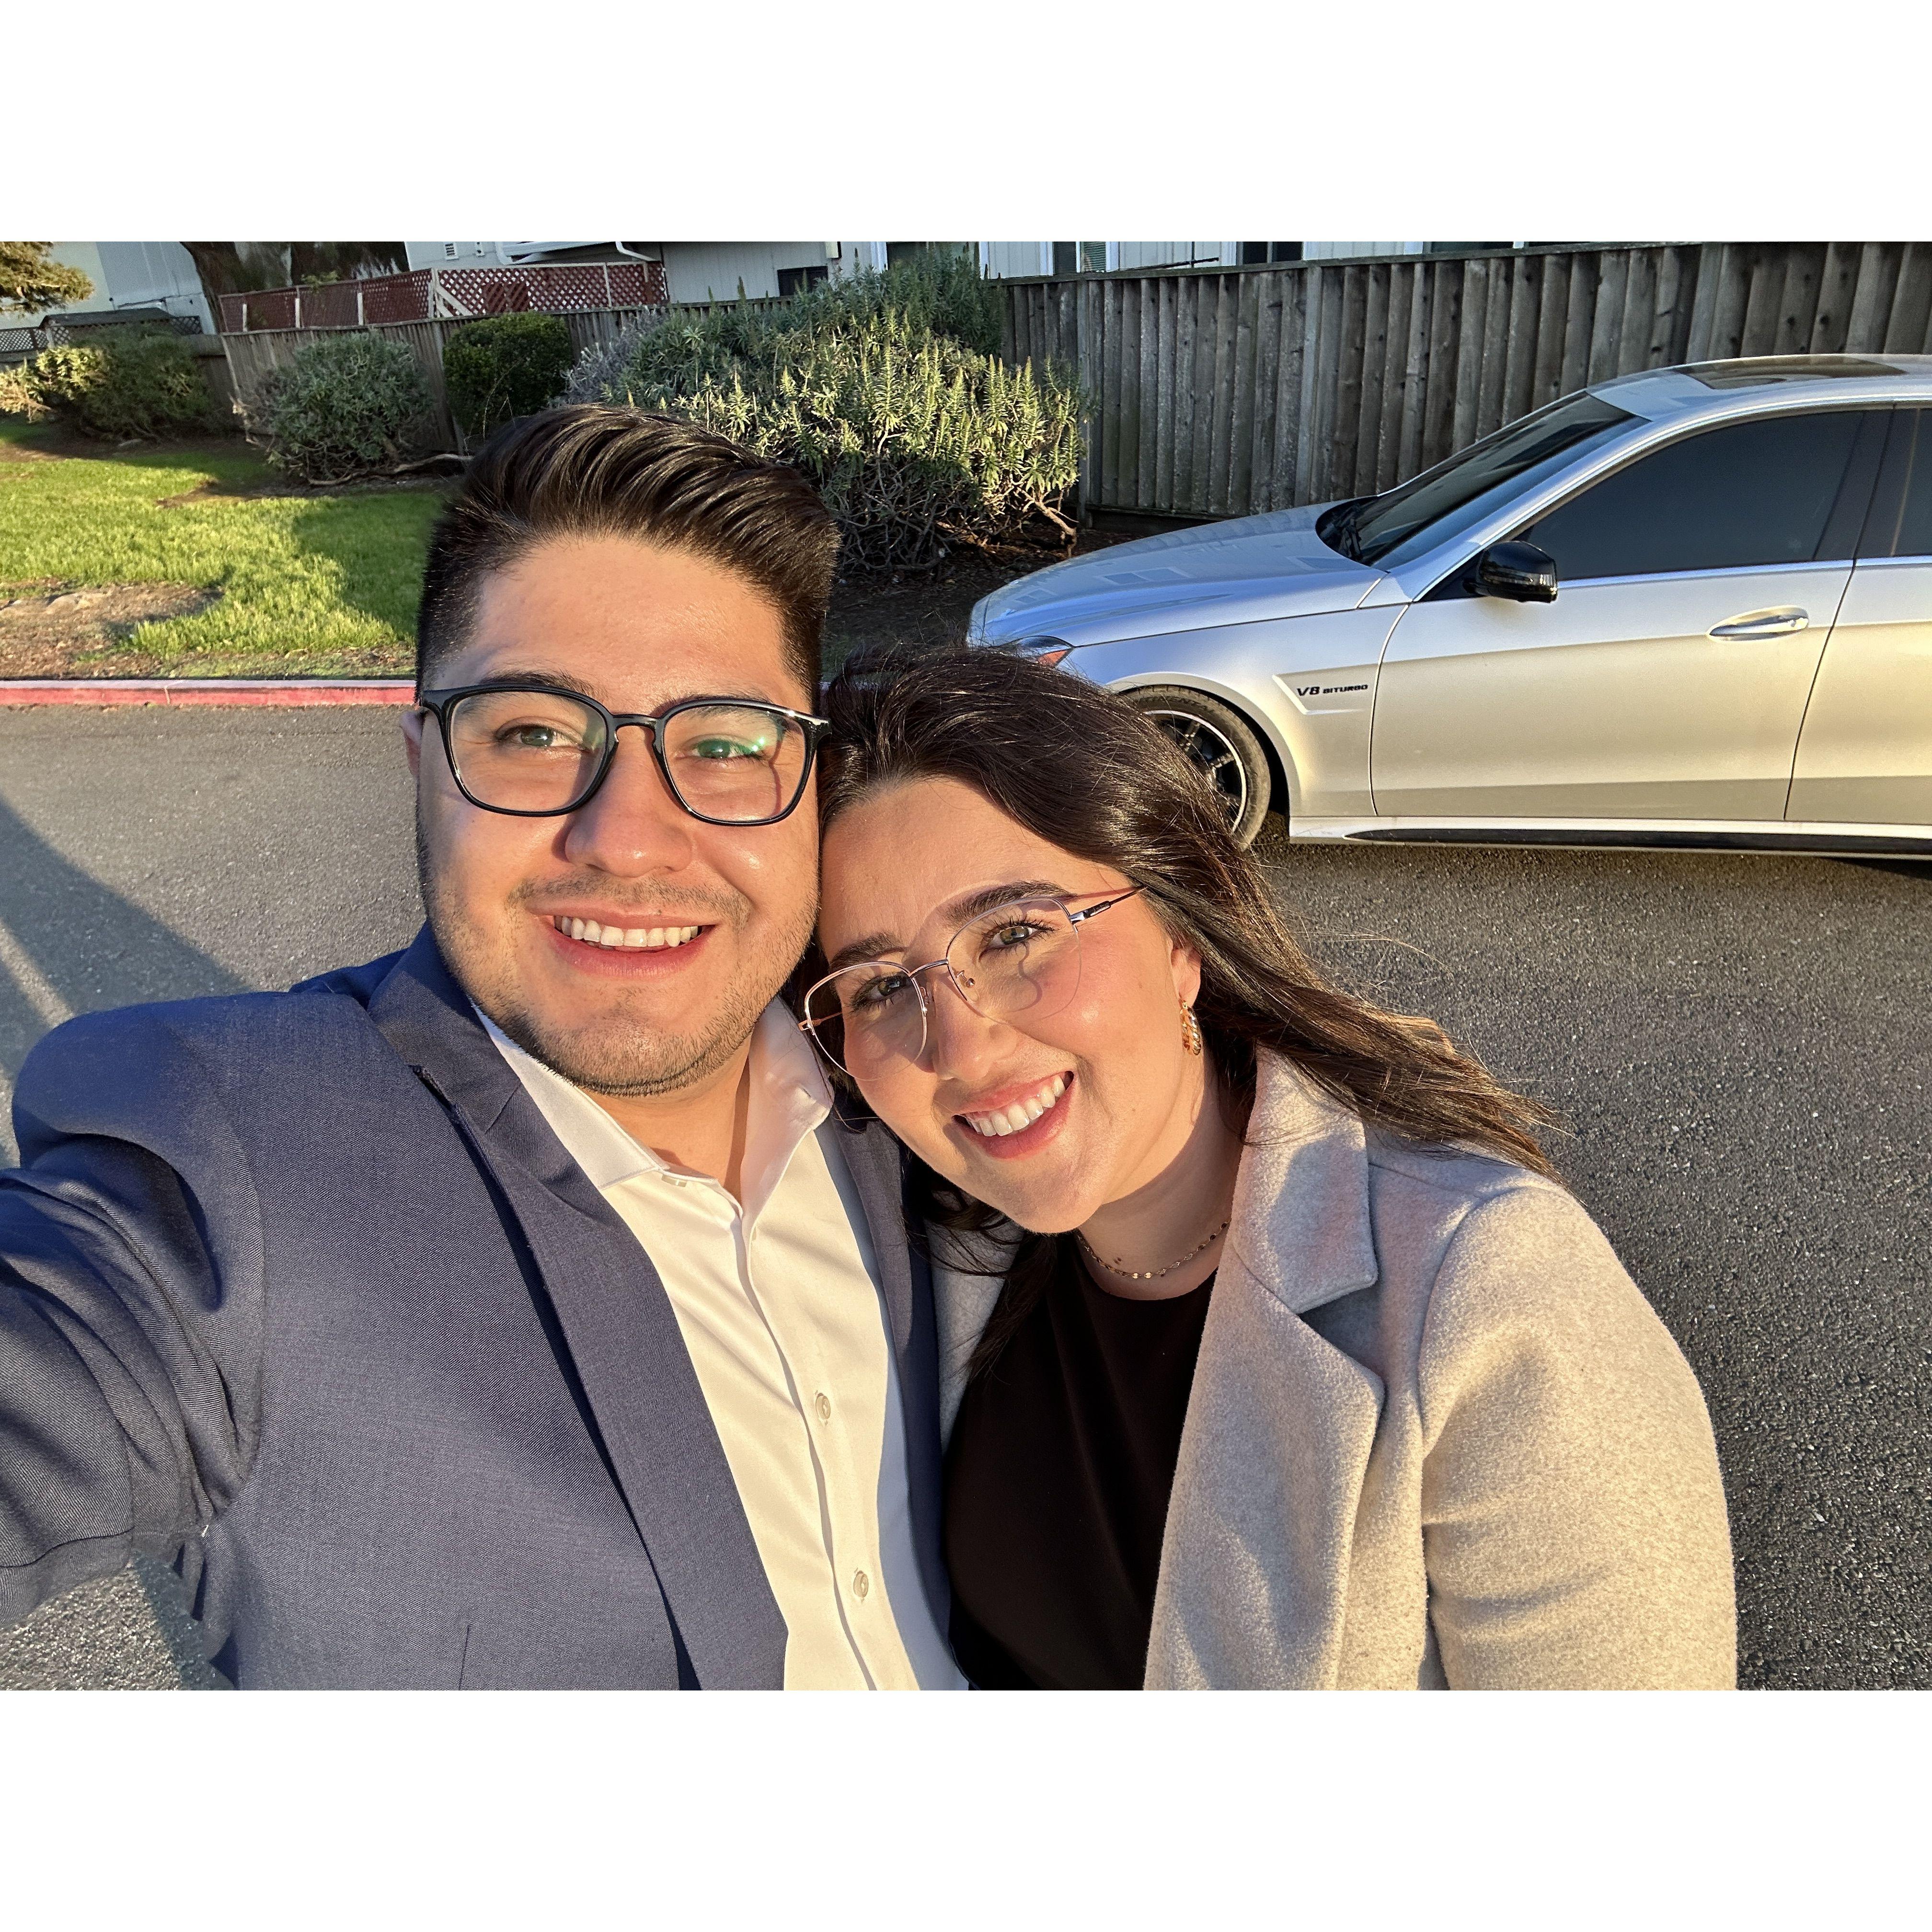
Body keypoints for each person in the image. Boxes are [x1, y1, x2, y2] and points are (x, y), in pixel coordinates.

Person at [0, 408, 962, 1690]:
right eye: (532, 732)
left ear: (809, 784)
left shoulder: (911, 1074)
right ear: (421, 767)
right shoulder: (230, 1170)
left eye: (725, 743)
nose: (628, 837)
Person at [803, 643, 1737, 1689]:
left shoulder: (1488, 1291)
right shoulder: (935, 1252)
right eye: (879, 986)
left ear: (1180, 939)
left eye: (1016, 932)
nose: (958, 1046)